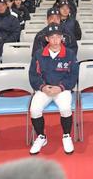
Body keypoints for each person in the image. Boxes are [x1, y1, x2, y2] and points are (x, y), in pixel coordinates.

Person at [29, 23, 78, 155]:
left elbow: (73, 76)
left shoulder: (70, 54)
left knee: (65, 108)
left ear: (62, 38)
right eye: (52, 37)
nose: (55, 40)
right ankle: (41, 137)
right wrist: (43, 87)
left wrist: (60, 87)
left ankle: (67, 136)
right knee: (34, 109)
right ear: (46, 39)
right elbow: (33, 75)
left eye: (58, 37)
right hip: (44, 89)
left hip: (62, 89)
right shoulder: (39, 54)